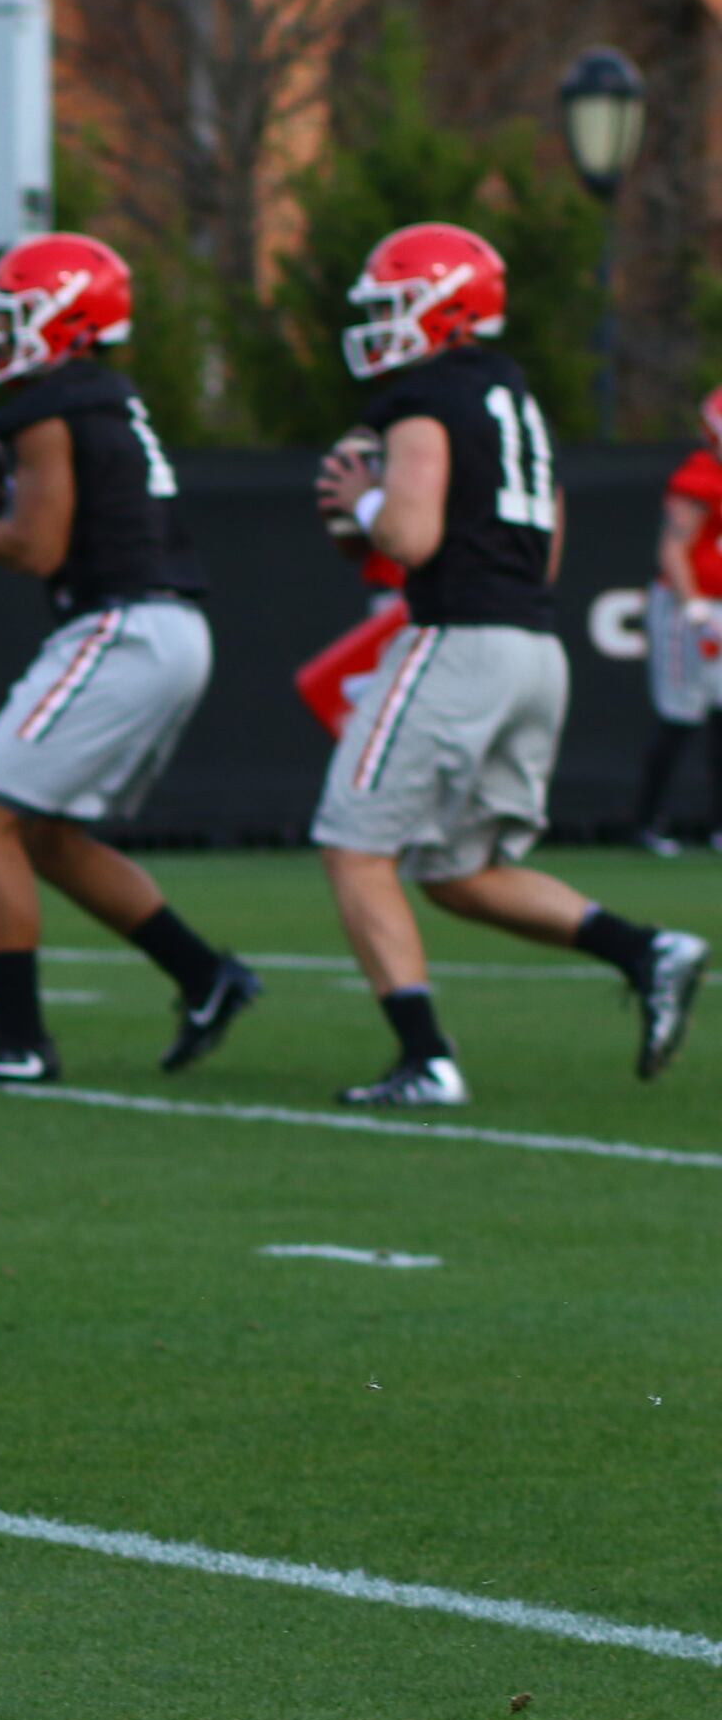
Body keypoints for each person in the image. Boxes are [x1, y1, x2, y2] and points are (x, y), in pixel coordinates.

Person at [308, 221, 707, 1104]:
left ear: (441, 309)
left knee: (352, 844)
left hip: (455, 641)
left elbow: (409, 535)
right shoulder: (516, 400)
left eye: (393, 305)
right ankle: (645, 951)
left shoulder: (424, 400)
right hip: (534, 649)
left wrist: (360, 496)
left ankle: (426, 1061)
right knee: (457, 869)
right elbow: (551, 545)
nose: (379, 324)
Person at [0, 235, 256, 1084]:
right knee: (47, 835)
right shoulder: (103, 399)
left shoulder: (52, 407)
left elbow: (34, 547)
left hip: (122, 628)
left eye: (14, 315)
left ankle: (19, 1040)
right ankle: (205, 975)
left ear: (64, 321)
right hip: (165, 627)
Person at [634, 387, 722, 852]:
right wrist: (695, 609)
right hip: (688, 608)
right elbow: (673, 548)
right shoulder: (700, 477)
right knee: (681, 714)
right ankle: (648, 822)